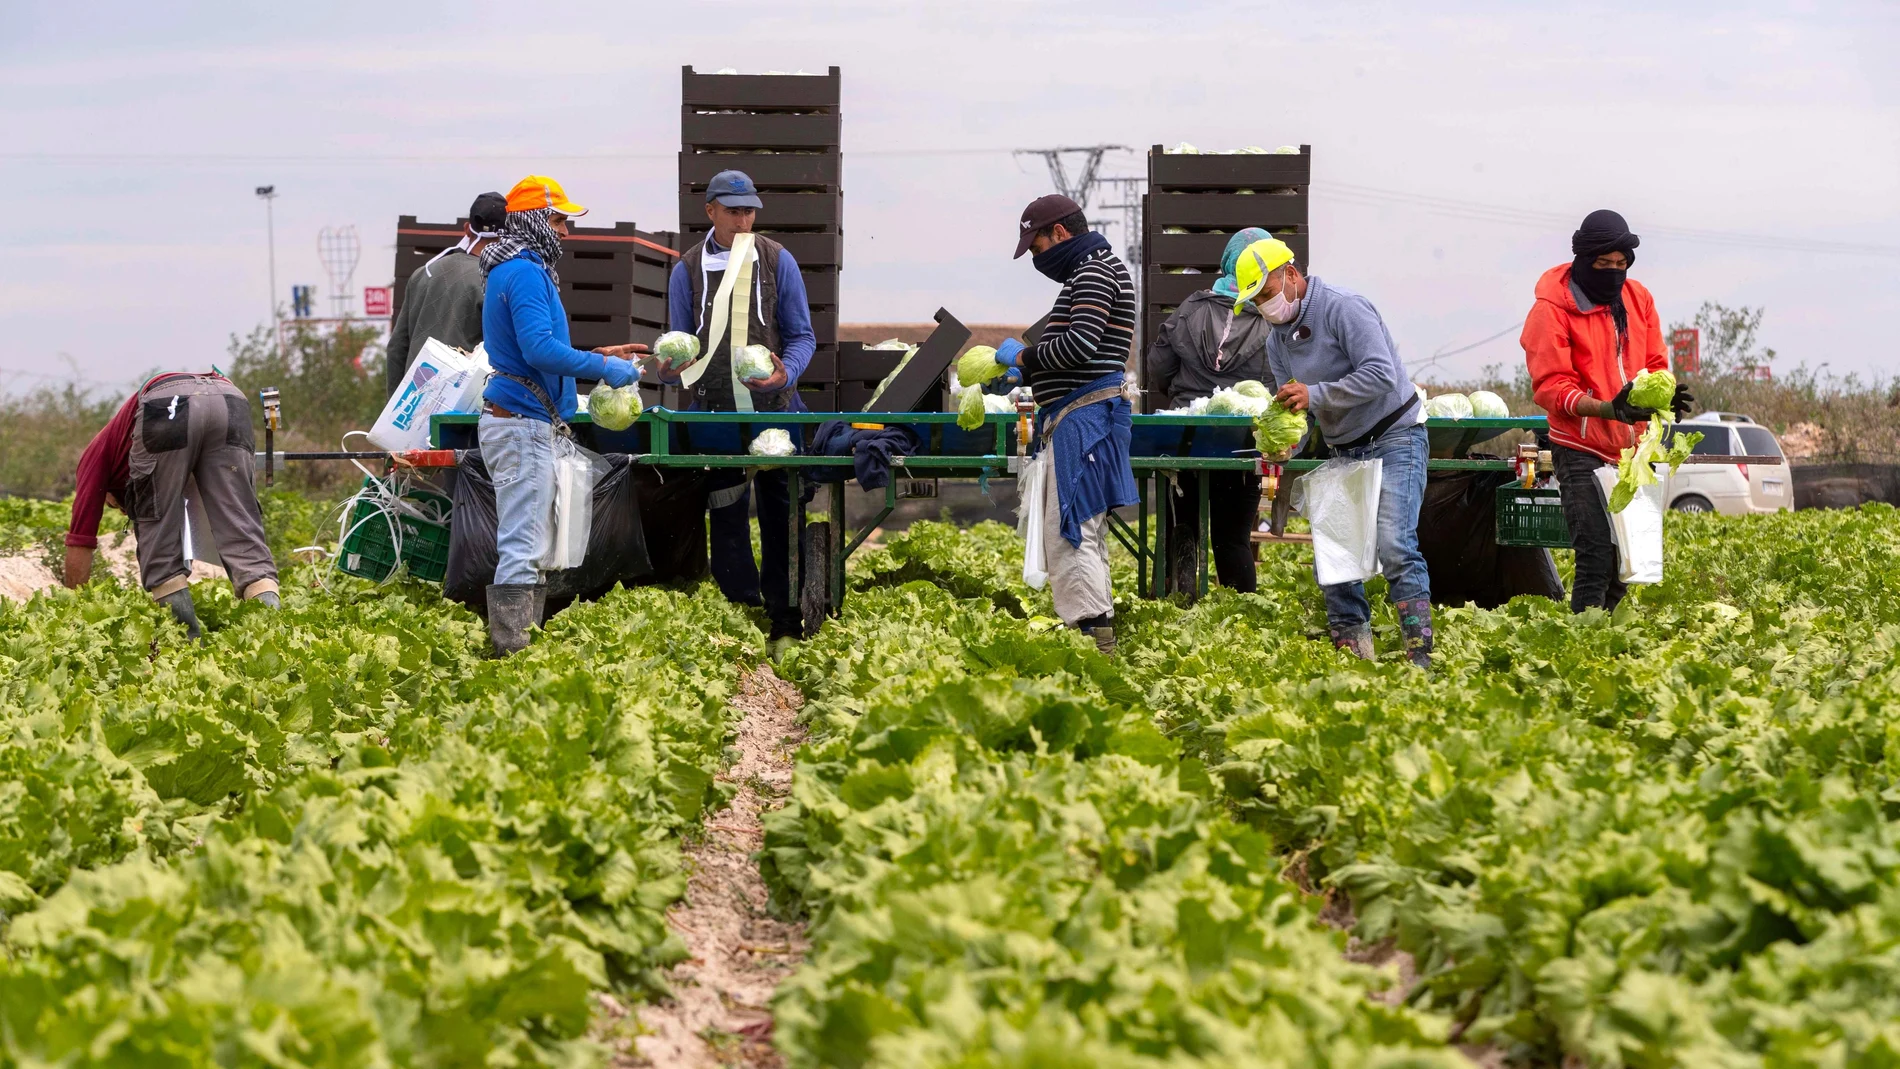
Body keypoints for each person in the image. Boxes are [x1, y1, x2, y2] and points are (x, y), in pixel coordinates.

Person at [1235, 238, 1433, 668]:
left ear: (1290, 275)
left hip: (1396, 435)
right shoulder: (1277, 340)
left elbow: (1381, 375)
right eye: (1256, 303)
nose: (1265, 308)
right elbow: (1299, 407)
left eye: (1266, 295)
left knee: (1395, 545)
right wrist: (1289, 441)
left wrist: (1315, 394)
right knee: (1337, 553)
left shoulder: (1344, 307)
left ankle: (1420, 656)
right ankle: (1353, 655)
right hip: (1346, 447)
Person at [478, 175, 643, 656]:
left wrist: (594, 355)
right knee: (524, 545)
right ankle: (511, 653)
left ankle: (520, 648)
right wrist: (606, 367)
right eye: (558, 219)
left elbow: (531, 352)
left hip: (523, 420)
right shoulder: (525, 273)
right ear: (533, 221)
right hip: (522, 425)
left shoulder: (512, 269)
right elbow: (539, 349)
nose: (565, 231)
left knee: (532, 544)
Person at [659, 169, 817, 646]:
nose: (744, 219)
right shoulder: (686, 270)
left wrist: (784, 372)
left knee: (782, 508)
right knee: (725, 506)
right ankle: (741, 608)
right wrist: (670, 368)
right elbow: (678, 342)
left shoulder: (776, 260)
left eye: (749, 209)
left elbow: (803, 335)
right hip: (714, 412)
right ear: (710, 211)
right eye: (733, 210)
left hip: (774, 409)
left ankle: (785, 619)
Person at [1522, 209, 1691, 613]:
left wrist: (1662, 397)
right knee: (1596, 553)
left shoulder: (1638, 299)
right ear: (1584, 262)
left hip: (1632, 451)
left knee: (1626, 561)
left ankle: (1608, 637)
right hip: (1578, 446)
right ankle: (1585, 644)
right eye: (1603, 265)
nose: (1614, 273)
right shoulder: (1552, 309)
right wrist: (1607, 408)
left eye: (1621, 265)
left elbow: (1653, 362)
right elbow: (1551, 386)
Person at [994, 194, 1138, 655]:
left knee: (1071, 530)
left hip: (1085, 418)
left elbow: (1079, 345)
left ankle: (1094, 642)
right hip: (1082, 415)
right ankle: (1100, 636)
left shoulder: (1094, 271)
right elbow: (1079, 349)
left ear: (1058, 233)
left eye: (1035, 247)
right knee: (1081, 531)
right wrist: (1029, 373)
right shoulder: (1090, 270)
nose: (1037, 259)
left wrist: (1023, 356)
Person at [62, 371, 280, 638]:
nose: (120, 510)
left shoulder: (94, 459)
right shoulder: (123, 442)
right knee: (244, 537)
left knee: (159, 542)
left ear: (107, 492)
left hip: (170, 405)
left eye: (112, 505)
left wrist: (72, 611)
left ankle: (185, 648)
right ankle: (273, 638)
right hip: (229, 398)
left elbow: (80, 540)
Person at [1146, 226, 1274, 593]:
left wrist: (1182, 391)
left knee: (1182, 527)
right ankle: (1243, 619)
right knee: (1234, 539)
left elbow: (1160, 366)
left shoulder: (1191, 309)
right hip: (1242, 442)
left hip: (1185, 440)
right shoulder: (1270, 322)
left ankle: (1179, 609)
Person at [386, 191, 507, 398]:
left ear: (467, 229)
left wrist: (394, 409)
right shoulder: (496, 281)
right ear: (508, 235)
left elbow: (397, 348)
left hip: (413, 402)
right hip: (462, 409)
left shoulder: (423, 273)